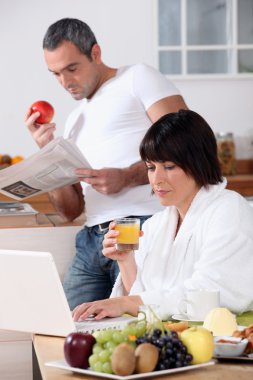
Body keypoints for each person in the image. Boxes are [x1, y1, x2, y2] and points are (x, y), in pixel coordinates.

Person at [25, 18, 188, 310]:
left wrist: (126, 177)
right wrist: (48, 153)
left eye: (72, 68)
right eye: (56, 74)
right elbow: (70, 210)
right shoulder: (75, 121)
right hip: (90, 241)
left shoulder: (137, 77)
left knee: (136, 332)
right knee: (66, 333)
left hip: (137, 227)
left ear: (95, 53)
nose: (65, 82)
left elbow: (185, 140)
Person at [72, 109, 253, 322]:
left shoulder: (229, 210)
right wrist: (125, 260)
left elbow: (210, 292)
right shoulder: (156, 224)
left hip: (220, 341)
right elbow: (143, 300)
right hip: (167, 338)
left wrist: (126, 303)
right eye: (150, 167)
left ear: (199, 163)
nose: (156, 179)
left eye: (168, 167)